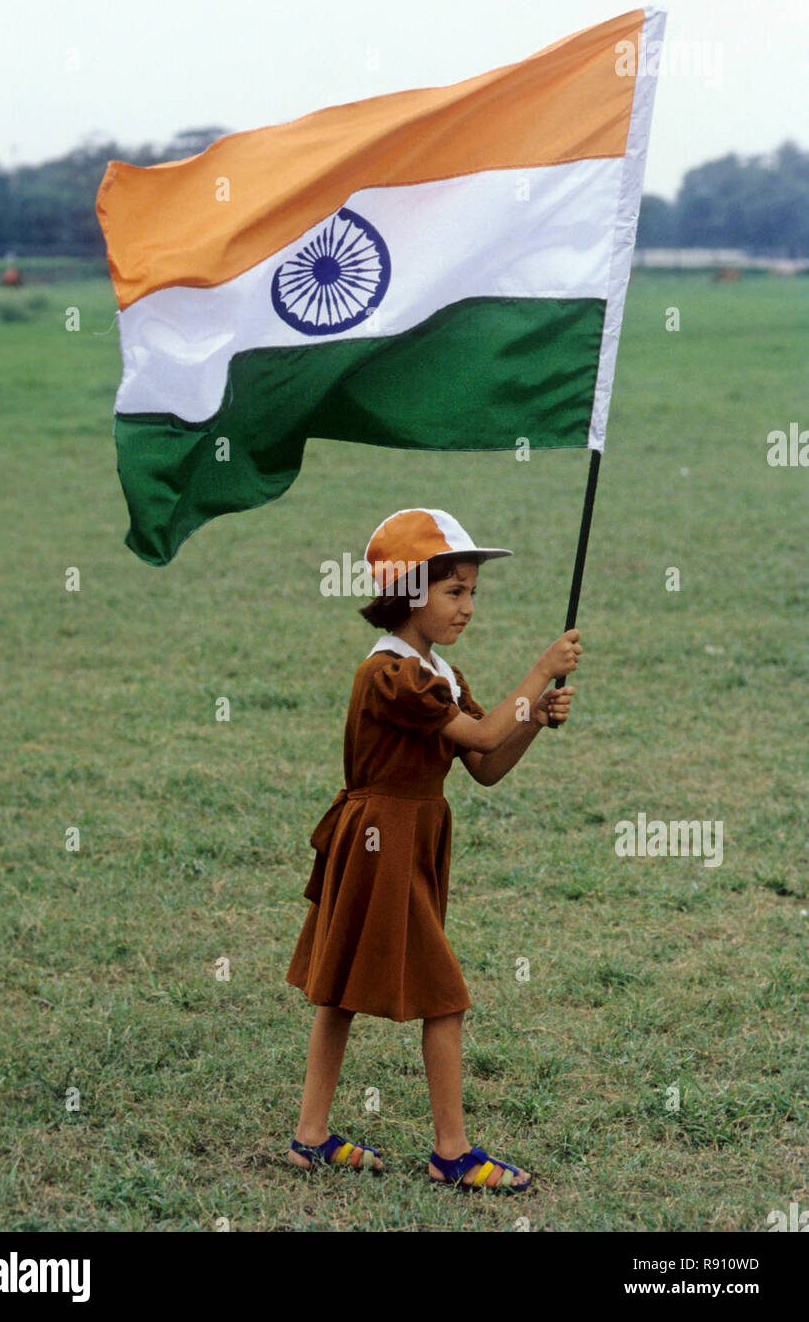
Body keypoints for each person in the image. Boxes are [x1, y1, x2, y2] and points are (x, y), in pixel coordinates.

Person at [284, 507, 580, 1193]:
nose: (468, 606)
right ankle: (453, 1153)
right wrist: (539, 674)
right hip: (379, 842)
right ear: (407, 591)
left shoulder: (438, 673)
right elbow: (479, 740)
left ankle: (310, 1138)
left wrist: (534, 718)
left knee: (342, 991)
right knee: (440, 997)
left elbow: (486, 765)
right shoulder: (395, 675)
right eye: (454, 591)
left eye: (473, 591)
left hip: (414, 840)